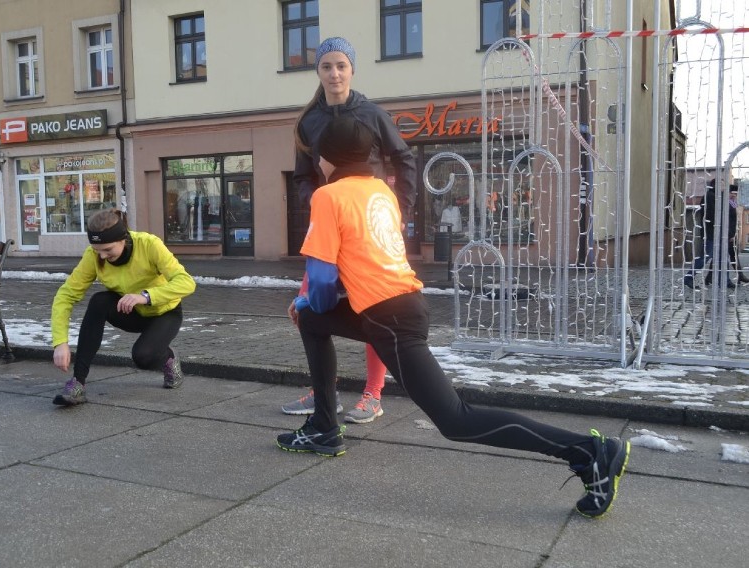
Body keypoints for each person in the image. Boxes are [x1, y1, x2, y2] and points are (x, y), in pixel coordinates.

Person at [276, 116, 631, 519]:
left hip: (389, 319)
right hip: (402, 305)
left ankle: (589, 452)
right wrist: (309, 310)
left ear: (327, 157)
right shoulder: (379, 191)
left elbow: (322, 283)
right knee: (312, 320)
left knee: (455, 419)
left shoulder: (329, 196)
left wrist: (307, 303)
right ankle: (324, 427)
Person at [281, 36, 418, 424]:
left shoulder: (372, 114)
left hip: (369, 230)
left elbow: (404, 160)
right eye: (327, 66)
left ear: (352, 69)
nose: (334, 73)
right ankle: (323, 390)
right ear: (319, 72)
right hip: (329, 224)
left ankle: (373, 394)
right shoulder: (309, 121)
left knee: (373, 306)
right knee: (307, 310)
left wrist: (400, 212)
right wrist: (317, 202)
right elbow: (302, 176)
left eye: (341, 65)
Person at [51, 208, 196, 406]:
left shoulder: (149, 245)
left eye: (108, 250)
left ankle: (168, 357)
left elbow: (187, 282)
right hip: (130, 313)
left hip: (165, 312)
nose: (101, 257)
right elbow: (65, 295)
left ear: (123, 238)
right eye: (97, 250)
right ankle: (77, 384)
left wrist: (145, 296)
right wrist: (60, 341)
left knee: (143, 356)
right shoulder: (93, 256)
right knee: (98, 301)